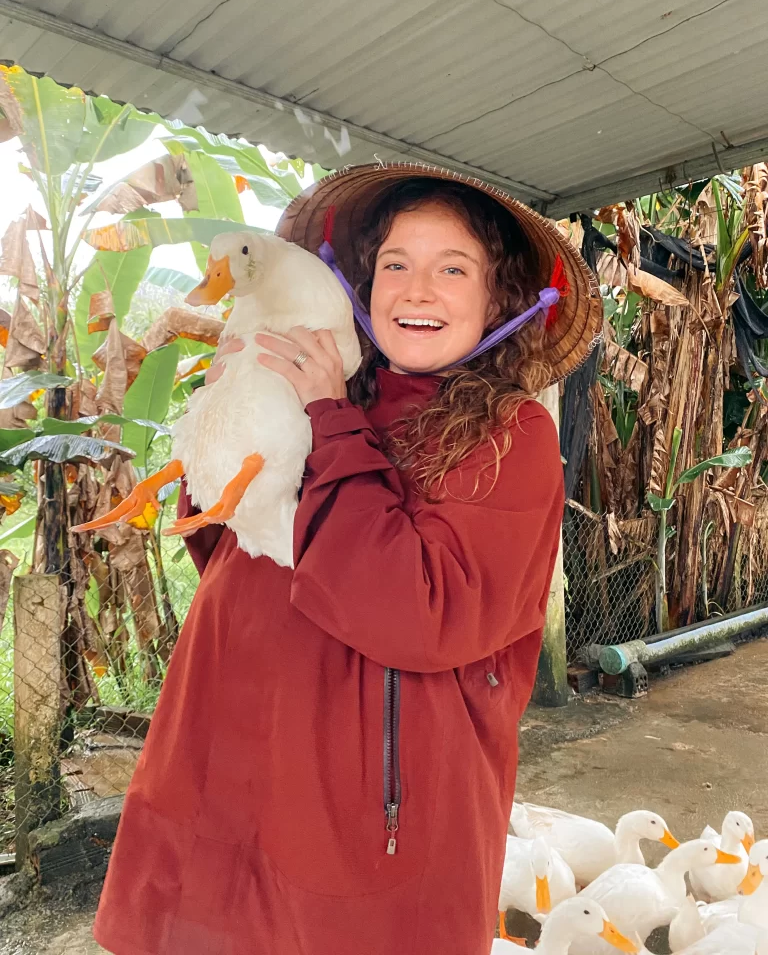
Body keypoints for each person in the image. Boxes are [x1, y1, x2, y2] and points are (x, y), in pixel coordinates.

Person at [92, 163, 601, 955]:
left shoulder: (511, 438)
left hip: (361, 808)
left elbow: (419, 610)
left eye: (452, 269)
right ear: (363, 282)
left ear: (500, 299)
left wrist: (328, 420)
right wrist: (227, 430)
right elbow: (241, 559)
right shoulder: (336, 390)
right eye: (395, 264)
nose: (416, 288)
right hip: (226, 758)